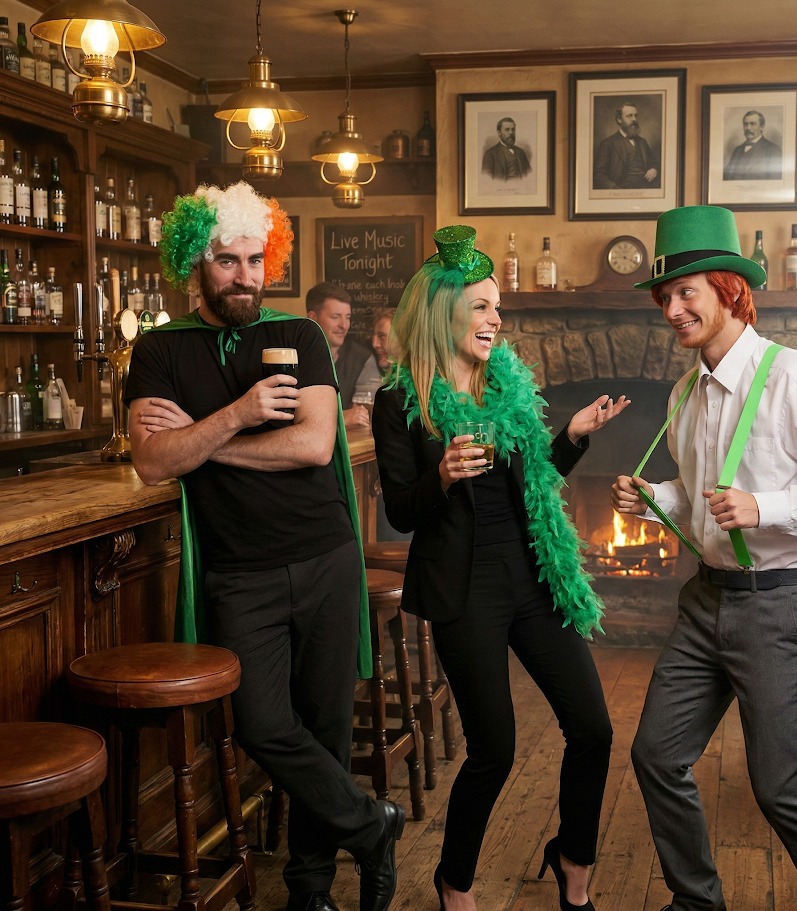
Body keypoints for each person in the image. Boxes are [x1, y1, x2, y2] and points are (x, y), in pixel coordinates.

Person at [124, 182, 404, 911]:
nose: (245, 276)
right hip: (237, 571)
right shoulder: (158, 349)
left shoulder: (301, 336)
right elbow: (151, 461)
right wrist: (240, 414)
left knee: (325, 726)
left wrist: (201, 442)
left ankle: (310, 890)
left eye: (255, 259)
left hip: (324, 555)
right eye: (227, 261)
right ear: (195, 262)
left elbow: (313, 445)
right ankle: (370, 824)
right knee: (260, 724)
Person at [610, 205, 797, 911]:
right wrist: (654, 497)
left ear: (729, 290)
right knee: (656, 755)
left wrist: (767, 507)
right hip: (705, 602)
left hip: (782, 606)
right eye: (663, 297)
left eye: (685, 292)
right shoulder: (684, 392)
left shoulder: (794, 378)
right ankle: (697, 902)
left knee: (781, 788)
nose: (671, 310)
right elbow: (698, 494)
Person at [373, 225, 630, 911]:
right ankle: (454, 880)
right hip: (465, 590)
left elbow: (535, 483)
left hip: (533, 577)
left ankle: (573, 858)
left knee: (593, 729)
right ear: (443, 314)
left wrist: (570, 437)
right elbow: (400, 510)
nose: (494, 320)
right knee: (494, 751)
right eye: (481, 307)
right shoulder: (400, 399)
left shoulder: (507, 384)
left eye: (497, 308)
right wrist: (441, 476)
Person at [306, 282, 374, 430]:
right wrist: (342, 418)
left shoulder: (361, 358)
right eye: (335, 317)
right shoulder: (293, 358)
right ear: (312, 318)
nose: (344, 325)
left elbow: (365, 415)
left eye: (348, 317)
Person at [592, 101, 659, 189]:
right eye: (629, 116)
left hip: (645, 188)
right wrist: (615, 189)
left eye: (635, 115)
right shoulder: (607, 144)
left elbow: (654, 163)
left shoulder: (643, 142)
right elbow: (599, 174)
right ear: (619, 120)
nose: (634, 119)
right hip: (621, 190)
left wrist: (654, 169)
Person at [723, 110, 783, 181]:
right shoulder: (737, 150)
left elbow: (775, 182)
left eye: (753, 124)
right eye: (746, 124)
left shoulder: (774, 150)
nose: (748, 127)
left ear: (762, 127)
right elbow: (727, 178)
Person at [481, 116, 532, 181]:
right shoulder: (490, 154)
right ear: (499, 133)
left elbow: (530, 176)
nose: (511, 132)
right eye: (507, 129)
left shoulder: (521, 152)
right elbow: (486, 181)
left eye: (513, 129)